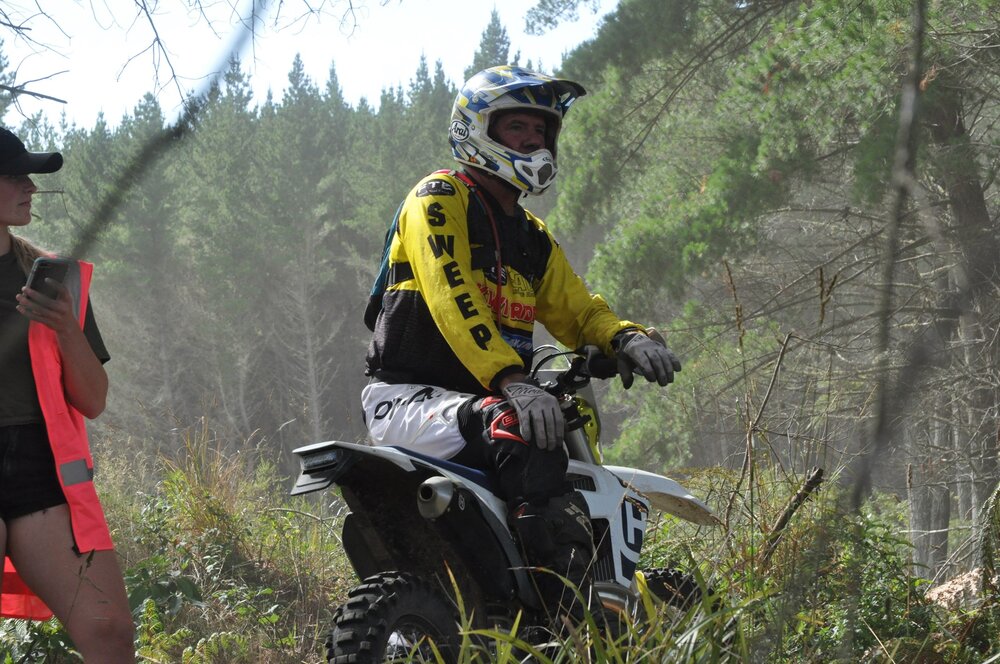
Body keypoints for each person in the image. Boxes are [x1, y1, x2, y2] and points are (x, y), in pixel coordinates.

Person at [361, 66, 681, 626]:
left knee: (565, 419)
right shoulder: (439, 198)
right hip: (411, 400)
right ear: (476, 129)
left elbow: (577, 309)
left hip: (483, 402)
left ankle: (533, 599)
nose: (534, 140)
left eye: (541, 130)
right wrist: (513, 380)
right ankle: (569, 618)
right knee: (524, 426)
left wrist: (624, 336)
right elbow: (452, 295)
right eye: (517, 127)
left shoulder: (531, 236)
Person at [0, 127, 135, 662]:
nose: (30, 187)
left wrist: (65, 328)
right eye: (15, 176)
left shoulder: (52, 278)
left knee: (109, 631)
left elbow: (93, 401)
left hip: (39, 472)